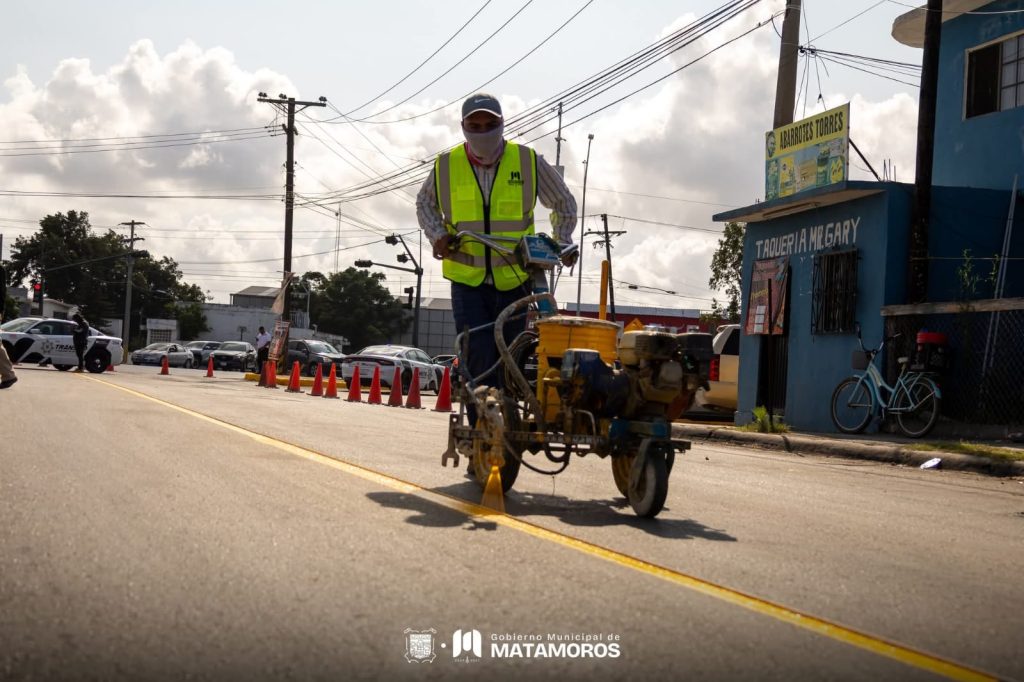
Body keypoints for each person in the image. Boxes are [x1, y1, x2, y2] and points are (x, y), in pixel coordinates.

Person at [416, 92, 578, 416]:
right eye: (475, 125)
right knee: (478, 354)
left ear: (502, 124)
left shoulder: (528, 161)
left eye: (490, 124)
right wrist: (438, 236)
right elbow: (424, 204)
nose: (483, 131)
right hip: (467, 282)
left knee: (510, 355)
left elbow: (563, 202)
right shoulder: (447, 165)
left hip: (516, 278)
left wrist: (562, 240)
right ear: (463, 127)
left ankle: (505, 422)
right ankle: (480, 432)